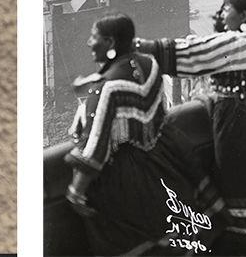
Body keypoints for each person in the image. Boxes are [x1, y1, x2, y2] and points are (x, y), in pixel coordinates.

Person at [139, 0, 246, 255]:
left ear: (243, 15)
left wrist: (139, 46)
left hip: (240, 128)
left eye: (227, 10)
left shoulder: (228, 45)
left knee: (242, 185)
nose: (222, 14)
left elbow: (187, 54)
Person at [67, 15, 222, 255]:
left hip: (127, 178)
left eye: (94, 37)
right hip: (163, 159)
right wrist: (92, 83)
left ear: (110, 42)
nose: (89, 43)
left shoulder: (106, 90)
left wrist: (76, 191)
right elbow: (132, 86)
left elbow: (95, 150)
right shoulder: (150, 64)